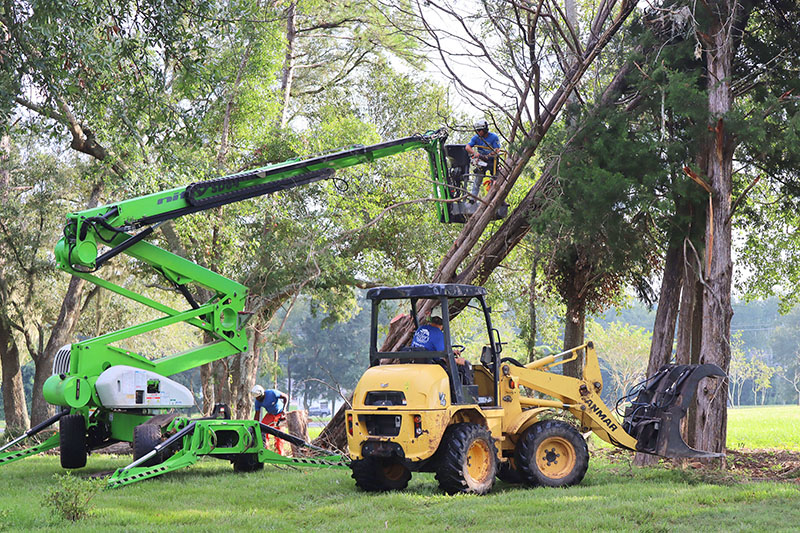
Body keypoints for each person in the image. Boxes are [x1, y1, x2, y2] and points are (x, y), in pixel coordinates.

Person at [411, 316, 473, 385]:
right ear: (442, 325)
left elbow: (428, 346)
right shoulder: (438, 333)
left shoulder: (421, 329)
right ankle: (464, 393)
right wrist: (458, 361)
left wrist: (451, 352)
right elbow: (444, 357)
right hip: (432, 366)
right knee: (465, 364)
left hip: (418, 363)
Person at [464, 119, 502, 200]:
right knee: (477, 180)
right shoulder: (476, 138)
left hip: (493, 161)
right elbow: (467, 147)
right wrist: (475, 153)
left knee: (497, 180)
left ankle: (498, 199)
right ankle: (473, 198)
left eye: (479, 130)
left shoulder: (493, 137)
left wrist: (489, 155)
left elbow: (497, 150)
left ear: (484, 130)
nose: (478, 132)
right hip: (482, 160)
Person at [251, 384, 288, 455]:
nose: (257, 399)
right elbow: (257, 414)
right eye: (256, 398)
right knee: (262, 429)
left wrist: (284, 409)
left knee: (279, 434)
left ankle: (280, 454)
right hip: (270, 414)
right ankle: (266, 451)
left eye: (258, 397)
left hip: (280, 413)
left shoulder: (272, 393)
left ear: (262, 394)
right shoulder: (257, 402)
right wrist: (255, 425)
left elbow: (285, 397)